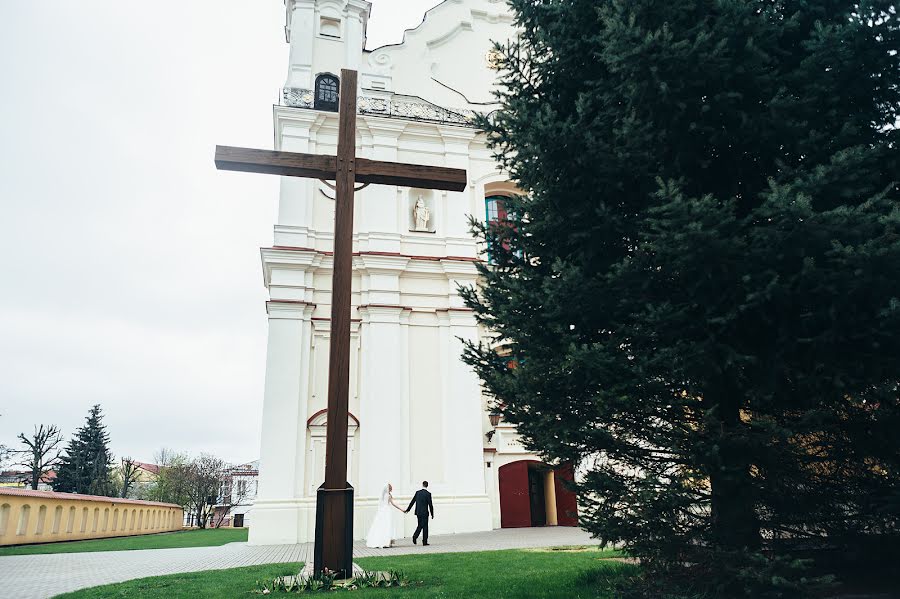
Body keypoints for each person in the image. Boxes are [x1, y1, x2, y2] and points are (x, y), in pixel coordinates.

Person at [365, 483, 404, 548]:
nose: (391, 489)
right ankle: (386, 542)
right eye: (391, 488)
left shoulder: (383, 495)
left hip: (382, 511)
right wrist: (401, 509)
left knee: (381, 526)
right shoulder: (388, 495)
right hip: (387, 511)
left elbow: (382, 504)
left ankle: (381, 540)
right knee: (388, 525)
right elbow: (393, 504)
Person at [405, 480, 434, 546]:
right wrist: (432, 514)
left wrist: (408, 509)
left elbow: (412, 502)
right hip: (425, 513)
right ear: (427, 485)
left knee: (420, 525)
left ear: (422, 485)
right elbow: (430, 505)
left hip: (418, 512)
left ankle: (415, 536)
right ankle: (424, 541)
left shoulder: (417, 493)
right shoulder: (428, 494)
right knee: (425, 527)